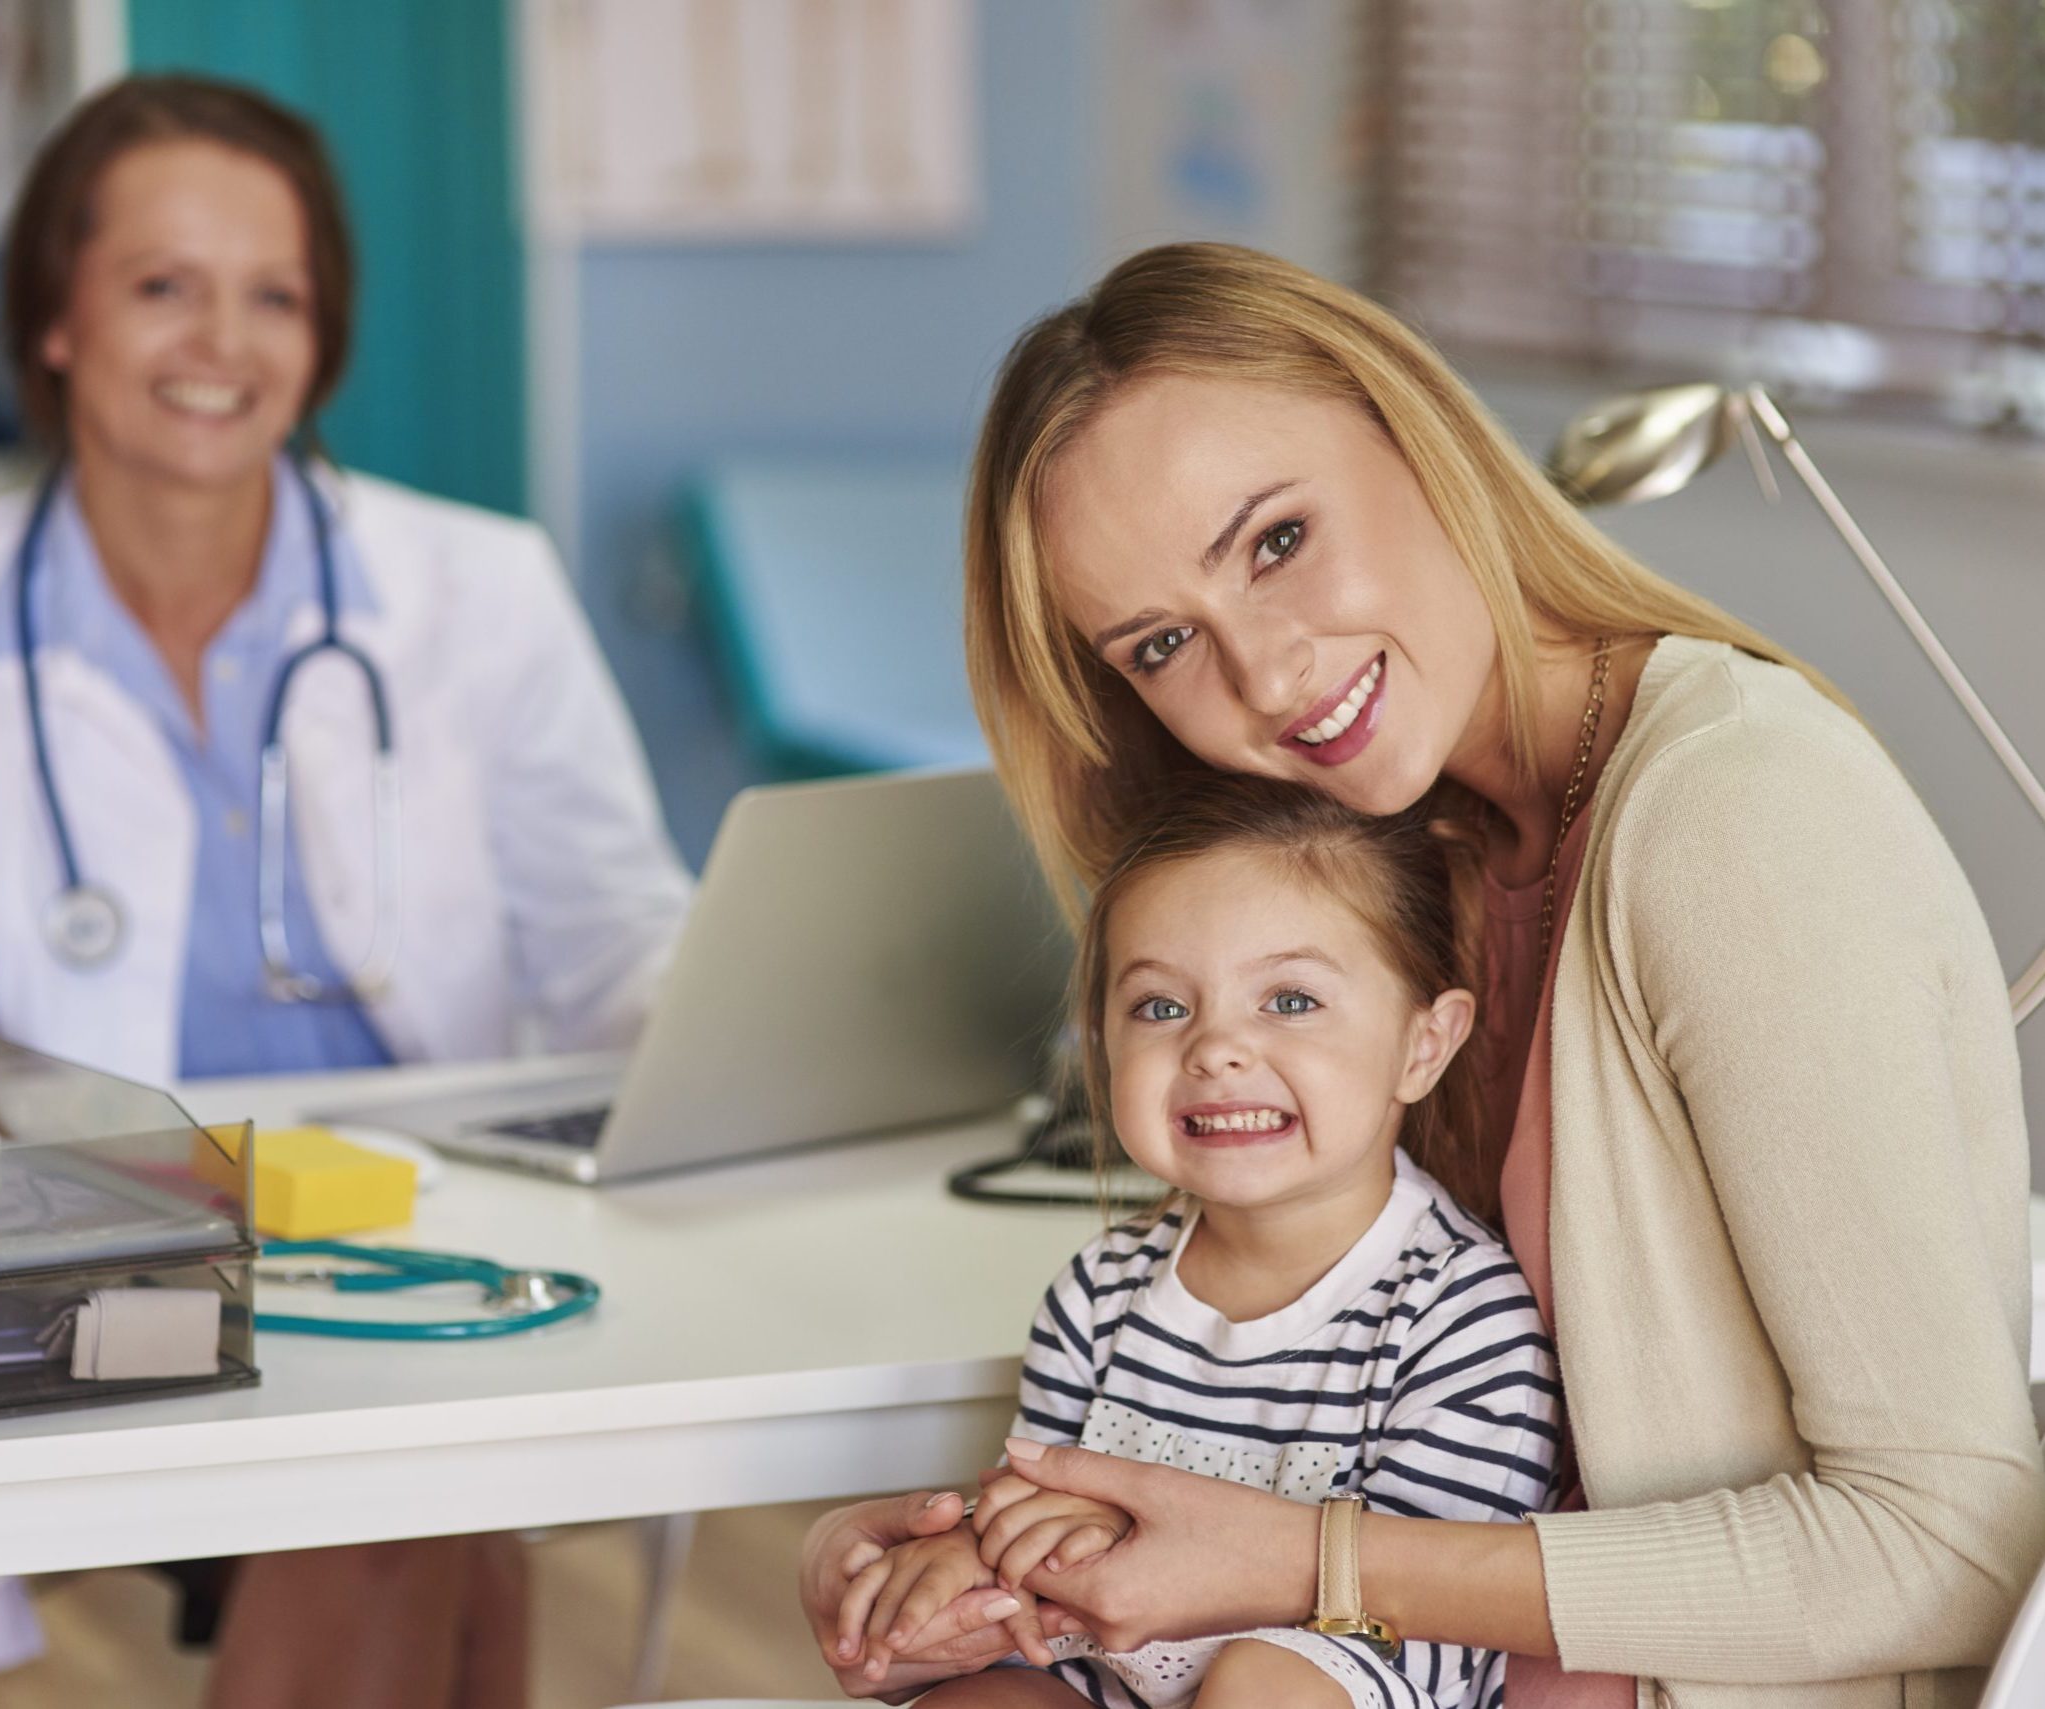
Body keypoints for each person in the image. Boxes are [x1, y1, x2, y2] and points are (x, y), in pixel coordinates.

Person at [801, 242, 2045, 1708]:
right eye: (1159, 643)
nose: (1263, 678)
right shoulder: (1393, 863)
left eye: (1272, 540)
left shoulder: (1736, 814)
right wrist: (937, 1553)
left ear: (1417, 432)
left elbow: (1954, 1542)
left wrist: (1315, 1566)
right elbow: (1286, 1408)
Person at [0, 76, 690, 1709]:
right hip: (99, 1230)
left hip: (424, 1216)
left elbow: (622, 937)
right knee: (406, 1496)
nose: (224, 342)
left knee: (394, 1479)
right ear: (54, 314)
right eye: (163, 285)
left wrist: (710, 1047)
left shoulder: (474, 589)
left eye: (277, 295)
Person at [836, 777, 1558, 1709]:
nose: (1215, 1047)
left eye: (1290, 1000)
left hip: (1345, 1676)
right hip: (1108, 1670)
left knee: (1263, 1685)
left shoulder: (1461, 1317)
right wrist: (973, 1560)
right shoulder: (1095, 1296)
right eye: (1161, 1008)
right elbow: (1032, 1550)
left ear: (1423, 1044)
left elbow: (1431, 1617)